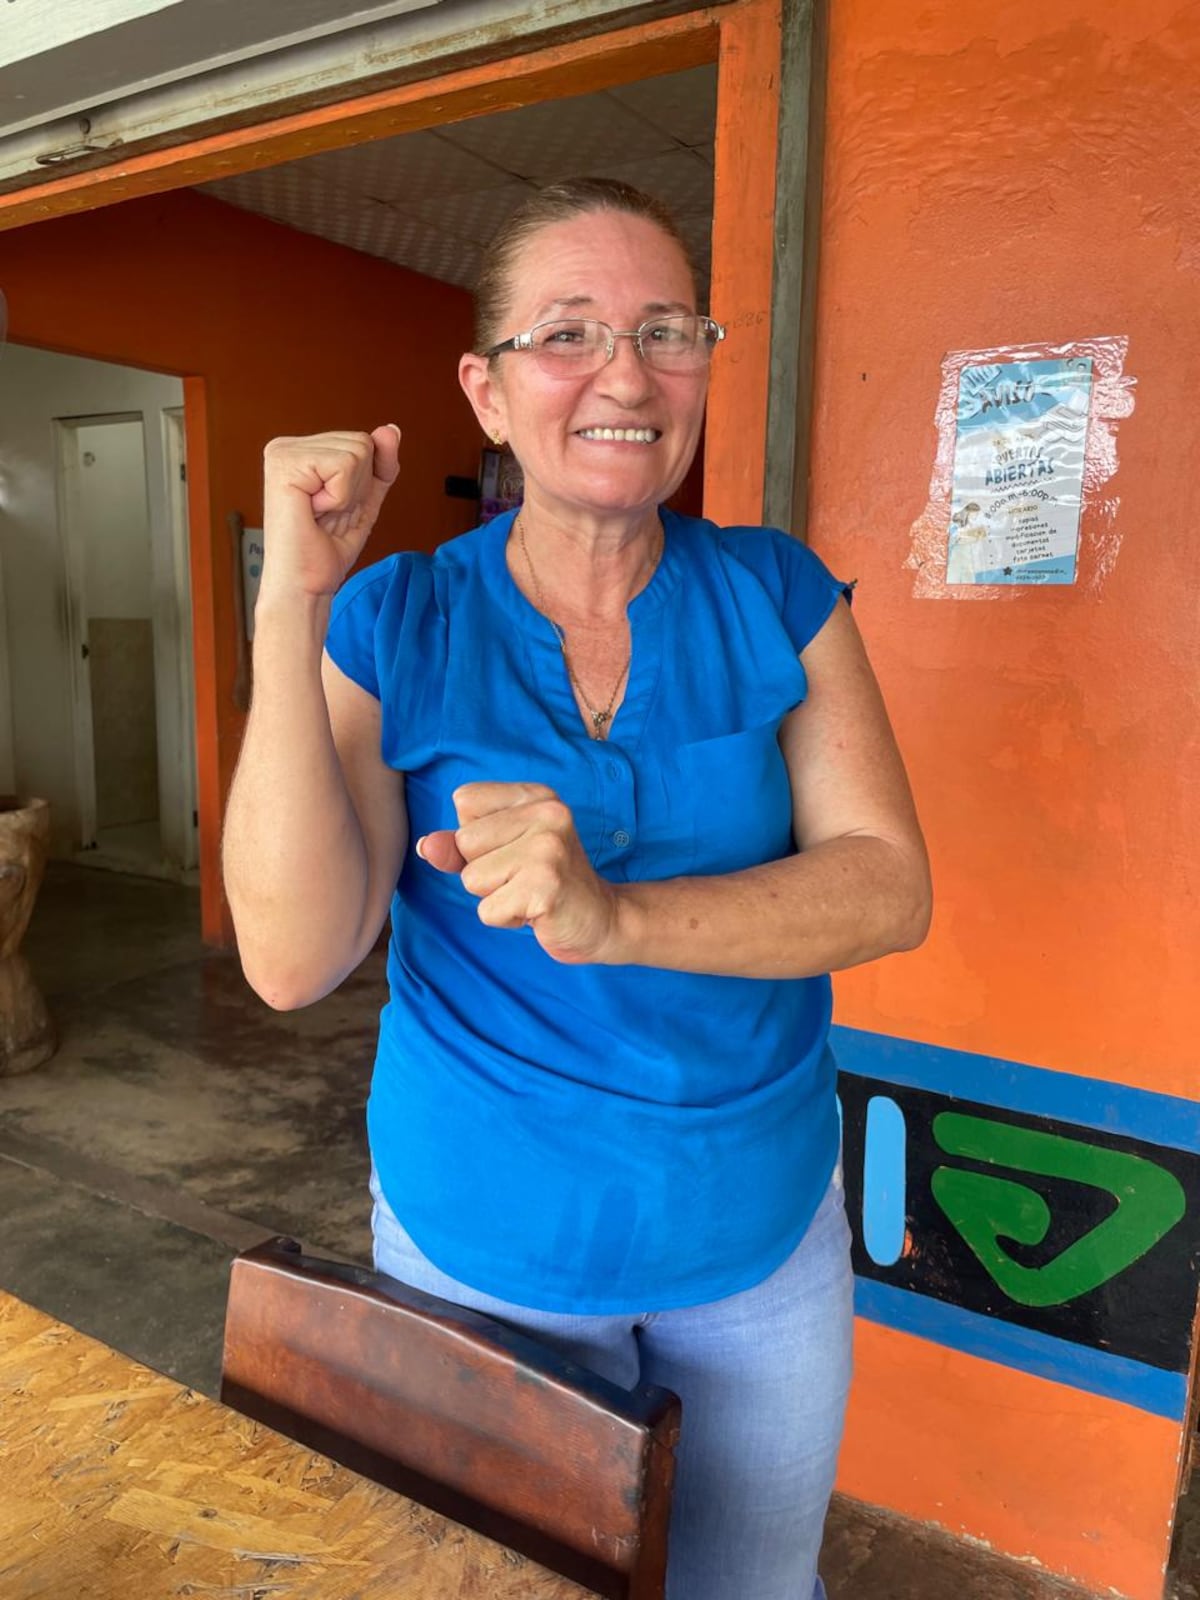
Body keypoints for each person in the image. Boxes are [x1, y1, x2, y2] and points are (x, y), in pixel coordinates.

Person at [223, 177, 931, 1600]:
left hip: (756, 1232)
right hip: (484, 1240)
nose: (627, 374)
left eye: (668, 331)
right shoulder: (401, 615)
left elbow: (887, 887)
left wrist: (613, 918)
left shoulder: (778, 595)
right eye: (568, 334)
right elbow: (293, 959)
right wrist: (291, 600)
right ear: (485, 392)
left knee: (750, 1589)